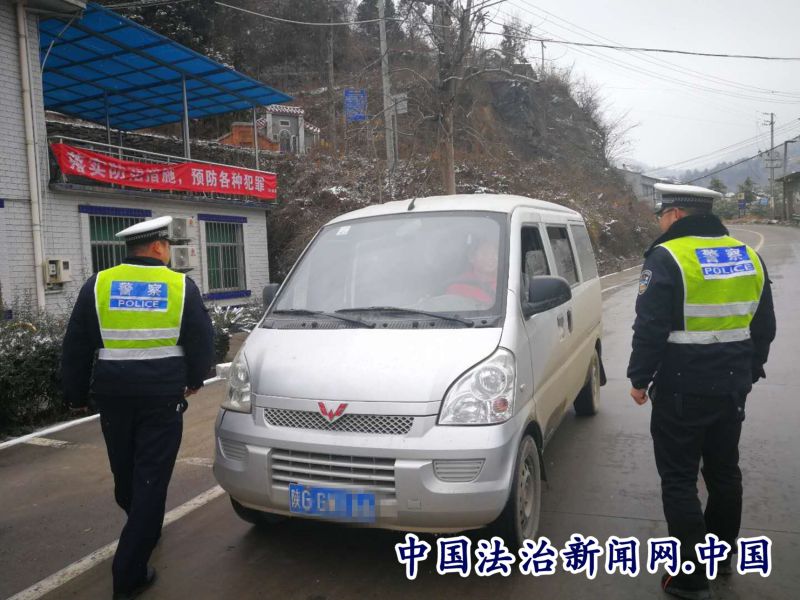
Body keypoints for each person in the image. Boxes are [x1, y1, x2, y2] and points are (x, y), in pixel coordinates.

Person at [627, 184, 775, 600]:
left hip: (682, 386)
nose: (660, 221)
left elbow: (650, 327)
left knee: (679, 479)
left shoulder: (668, 256)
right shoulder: (747, 255)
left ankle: (690, 577)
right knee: (724, 472)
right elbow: (764, 326)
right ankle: (719, 557)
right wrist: (749, 371)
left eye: (661, 214)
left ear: (675, 214)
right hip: (732, 386)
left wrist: (639, 379)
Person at [62, 216, 214, 599]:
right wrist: (196, 378)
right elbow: (201, 338)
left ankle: (142, 524)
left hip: (113, 396)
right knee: (151, 478)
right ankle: (129, 573)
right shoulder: (180, 285)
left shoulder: (98, 284)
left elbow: (76, 344)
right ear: (159, 247)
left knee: (126, 472)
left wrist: (76, 395)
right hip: (161, 397)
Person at [446, 237, 499, 305]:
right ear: (471, 257)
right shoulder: (458, 286)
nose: (491, 258)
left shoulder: (506, 284)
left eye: (495, 253)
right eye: (485, 253)